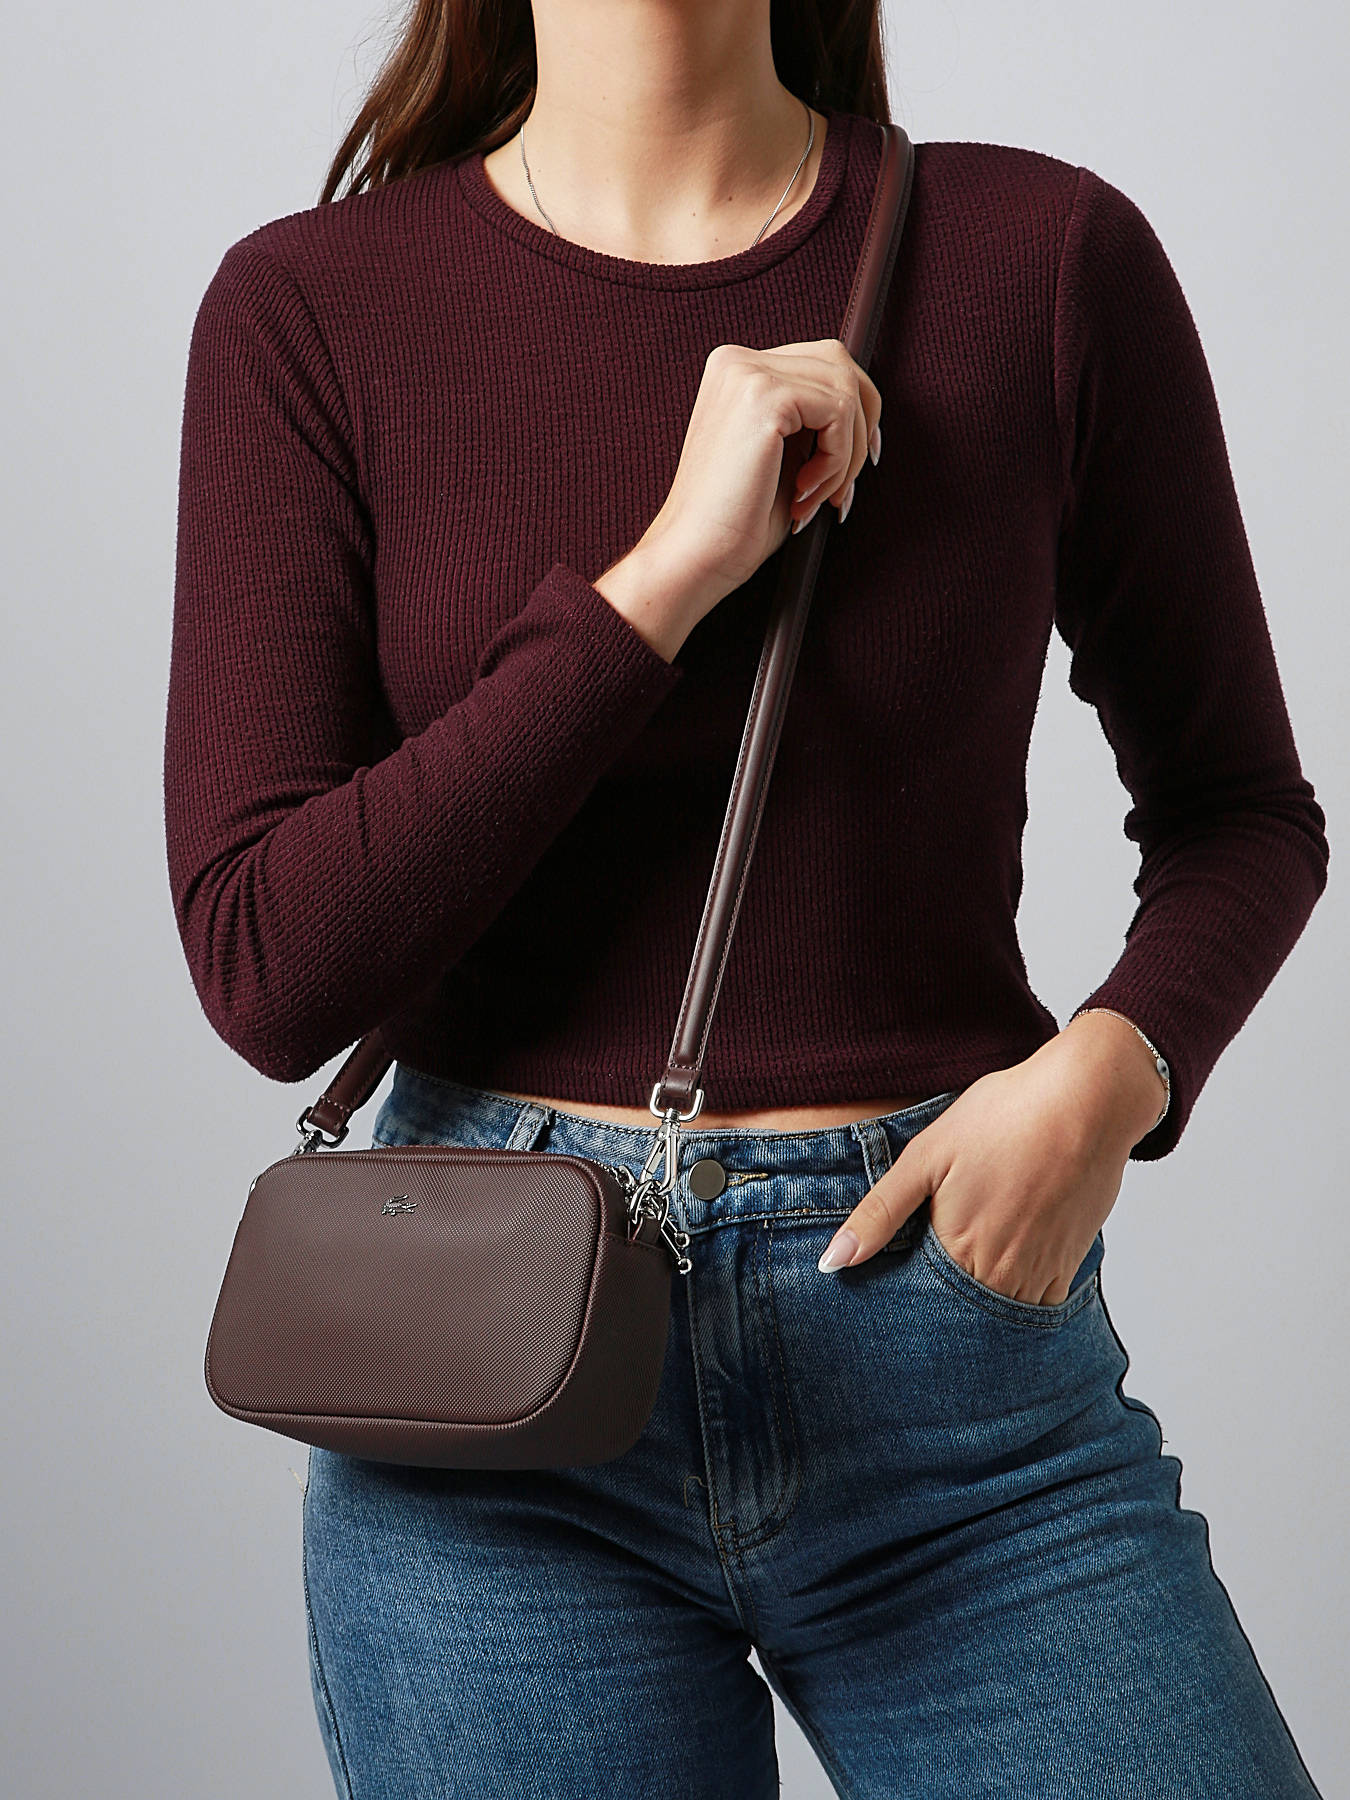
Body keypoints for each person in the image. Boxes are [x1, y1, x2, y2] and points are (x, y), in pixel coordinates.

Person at [164, 2, 1330, 1794]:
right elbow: (267, 965)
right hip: (489, 1403)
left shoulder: (1037, 258)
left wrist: (1108, 1078)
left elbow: (1242, 811)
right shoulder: (311, 310)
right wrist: (665, 577)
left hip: (950, 1358)